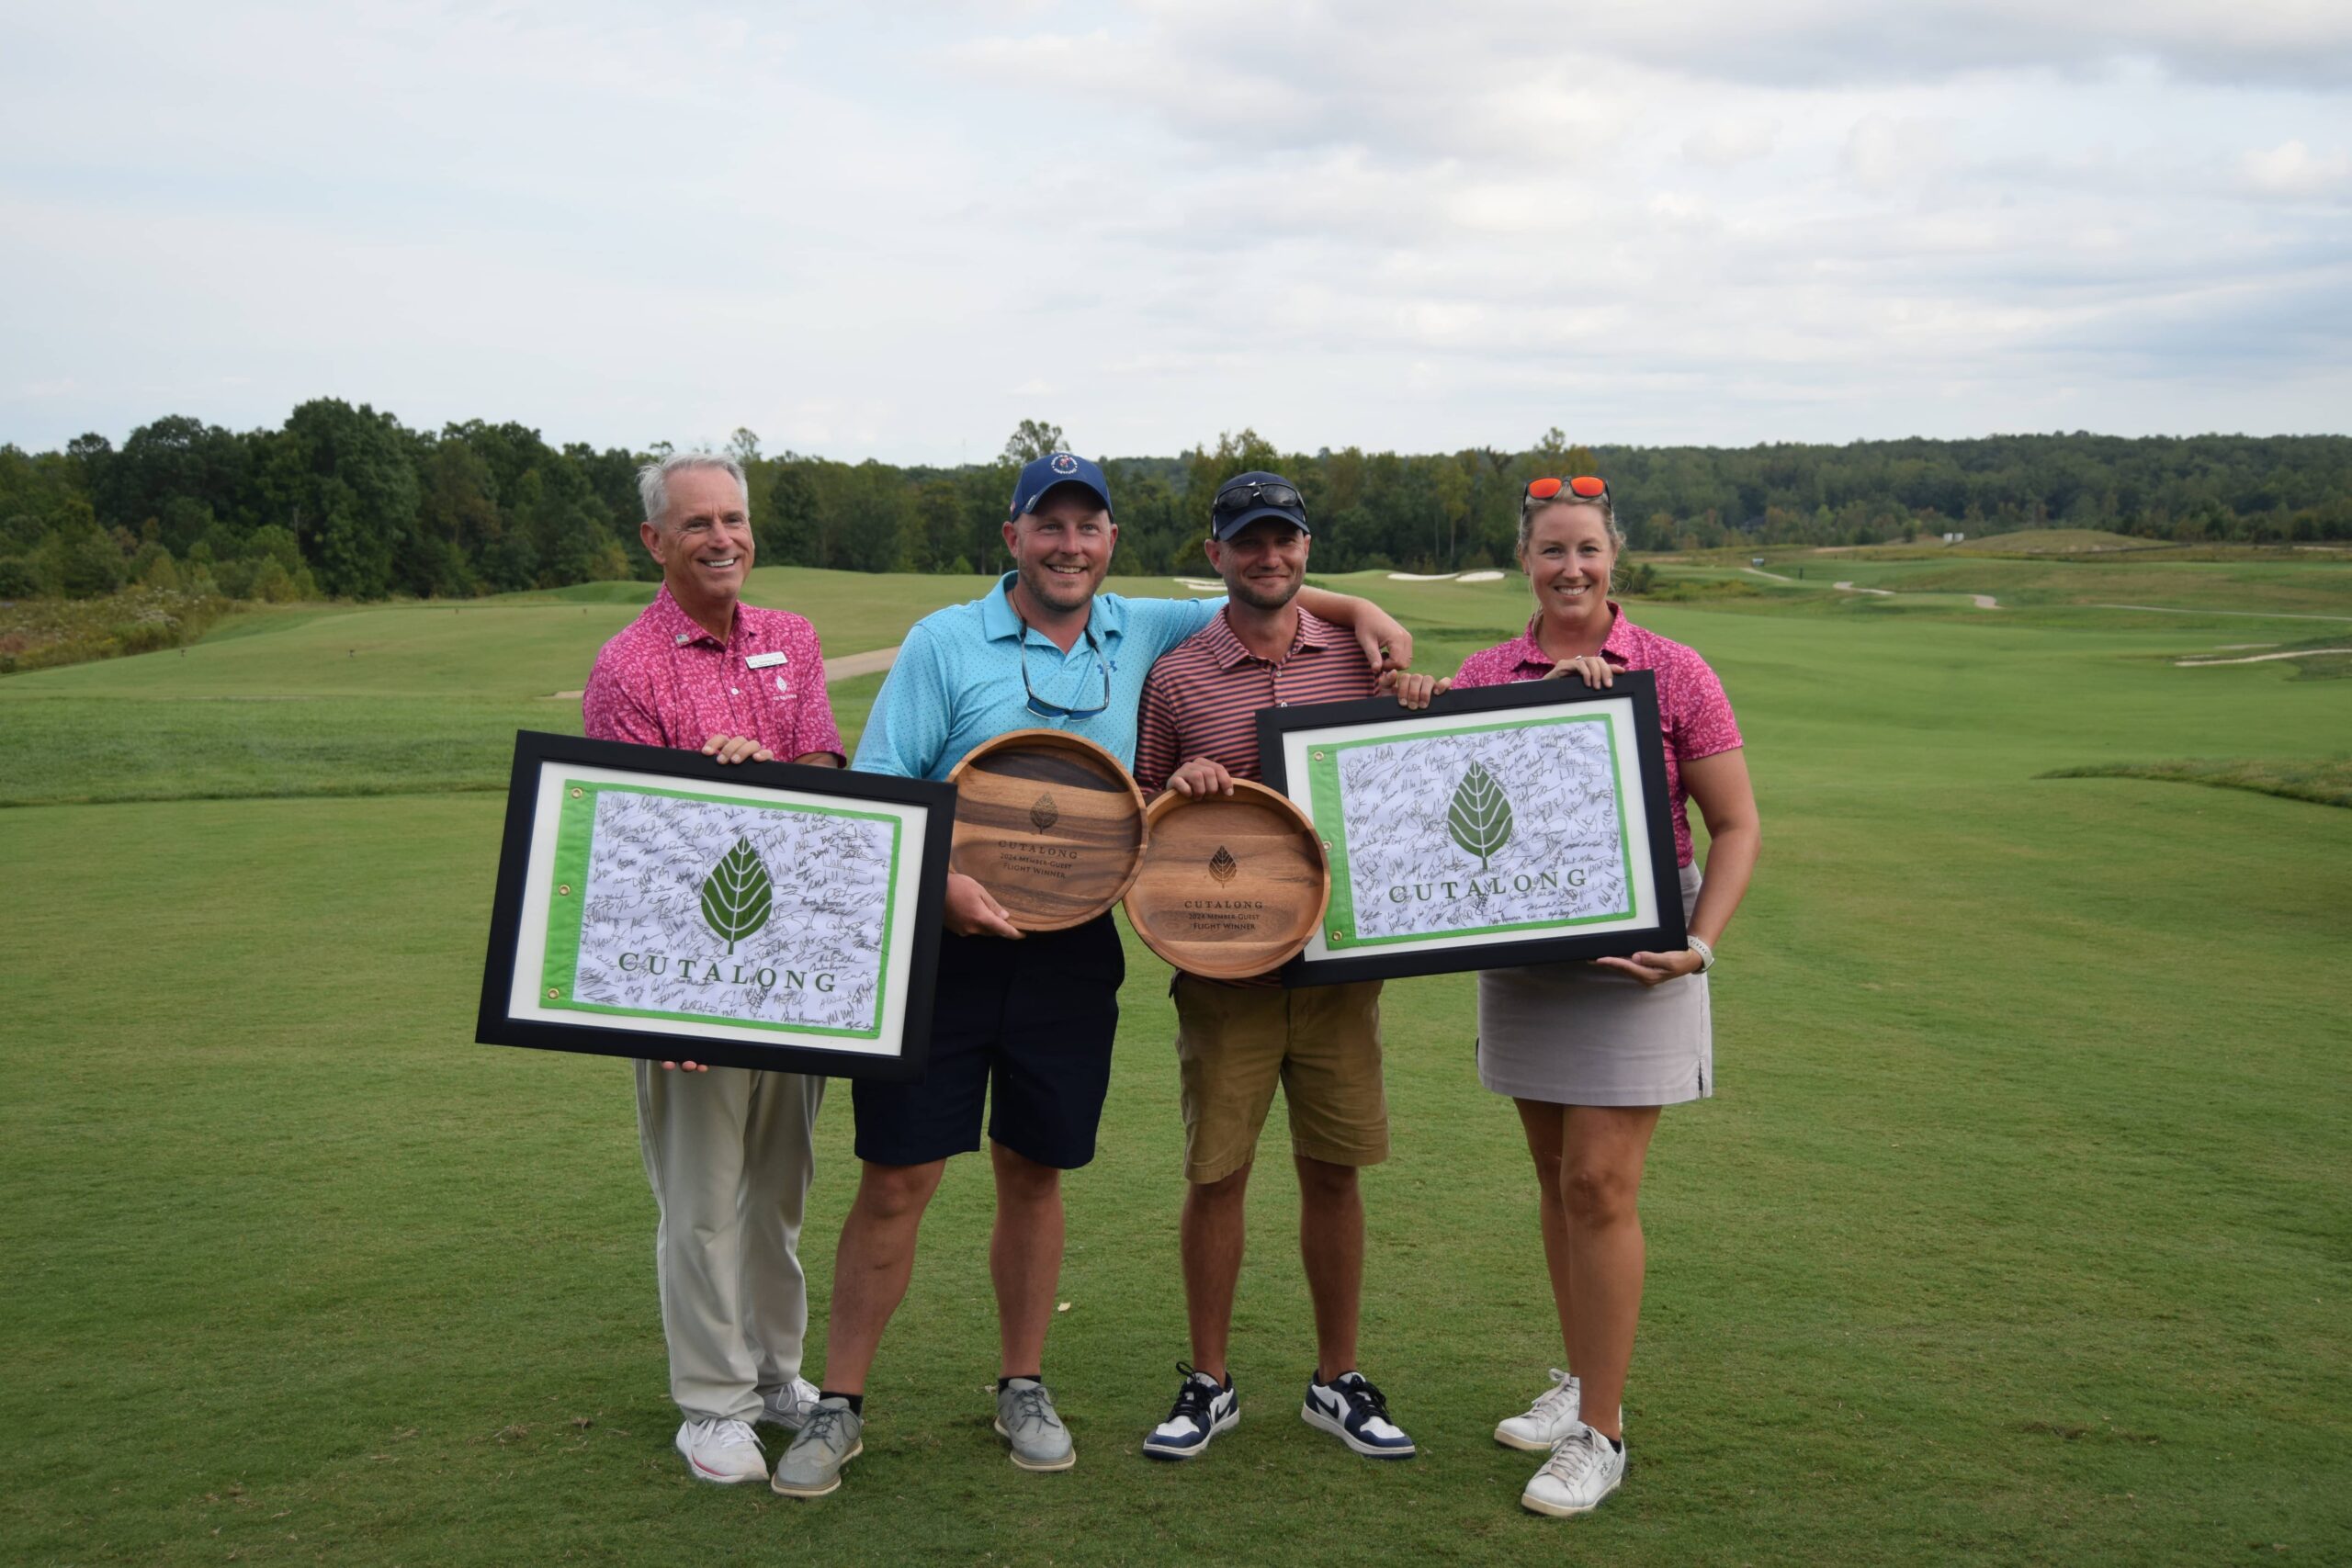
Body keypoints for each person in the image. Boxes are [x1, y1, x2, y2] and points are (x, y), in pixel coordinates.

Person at [770, 452, 1415, 1498]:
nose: (1069, 546)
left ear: (1111, 542)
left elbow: (1258, 583)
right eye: (1048, 526)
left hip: (1070, 954)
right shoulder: (944, 642)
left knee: (1035, 1171)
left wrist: (1368, 609)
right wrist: (942, 892)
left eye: (1088, 527)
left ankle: (1022, 1384)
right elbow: (883, 797)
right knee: (898, 1179)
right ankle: (838, 1405)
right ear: (1013, 538)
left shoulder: (1143, 627)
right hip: (945, 944)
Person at [1449, 474, 1759, 1517]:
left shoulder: (1673, 672)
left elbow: (1737, 827)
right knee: (1554, 1178)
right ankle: (1583, 1376)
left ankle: (1603, 1433)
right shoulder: (1489, 670)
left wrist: (1699, 946)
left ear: (1613, 553)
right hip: (1528, 951)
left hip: (1641, 955)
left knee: (1599, 1185)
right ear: (1524, 561)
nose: (1570, 568)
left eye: (1586, 548)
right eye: (1550, 550)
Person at [1129, 472, 1443, 1462]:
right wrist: (1178, 789)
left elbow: (1403, 782)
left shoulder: (1359, 658)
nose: (1270, 557)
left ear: (1307, 548)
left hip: (1339, 967)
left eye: (1287, 540)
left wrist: (1414, 697)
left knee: (1334, 1171)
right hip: (1225, 969)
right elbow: (1136, 814)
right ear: (1217, 553)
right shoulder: (1178, 676)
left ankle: (1334, 1379)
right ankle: (1209, 1382)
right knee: (1217, 1174)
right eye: (1249, 542)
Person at [581, 451, 846, 1486]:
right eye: (696, 524)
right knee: (699, 1199)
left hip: (793, 969)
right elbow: (631, 839)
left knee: (778, 1192)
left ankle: (777, 1376)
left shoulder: (792, 639)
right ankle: (711, 1401)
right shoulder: (629, 664)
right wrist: (659, 1012)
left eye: (733, 518)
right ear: (655, 540)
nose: (721, 538)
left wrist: (770, 768)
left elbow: (826, 769)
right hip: (689, 979)